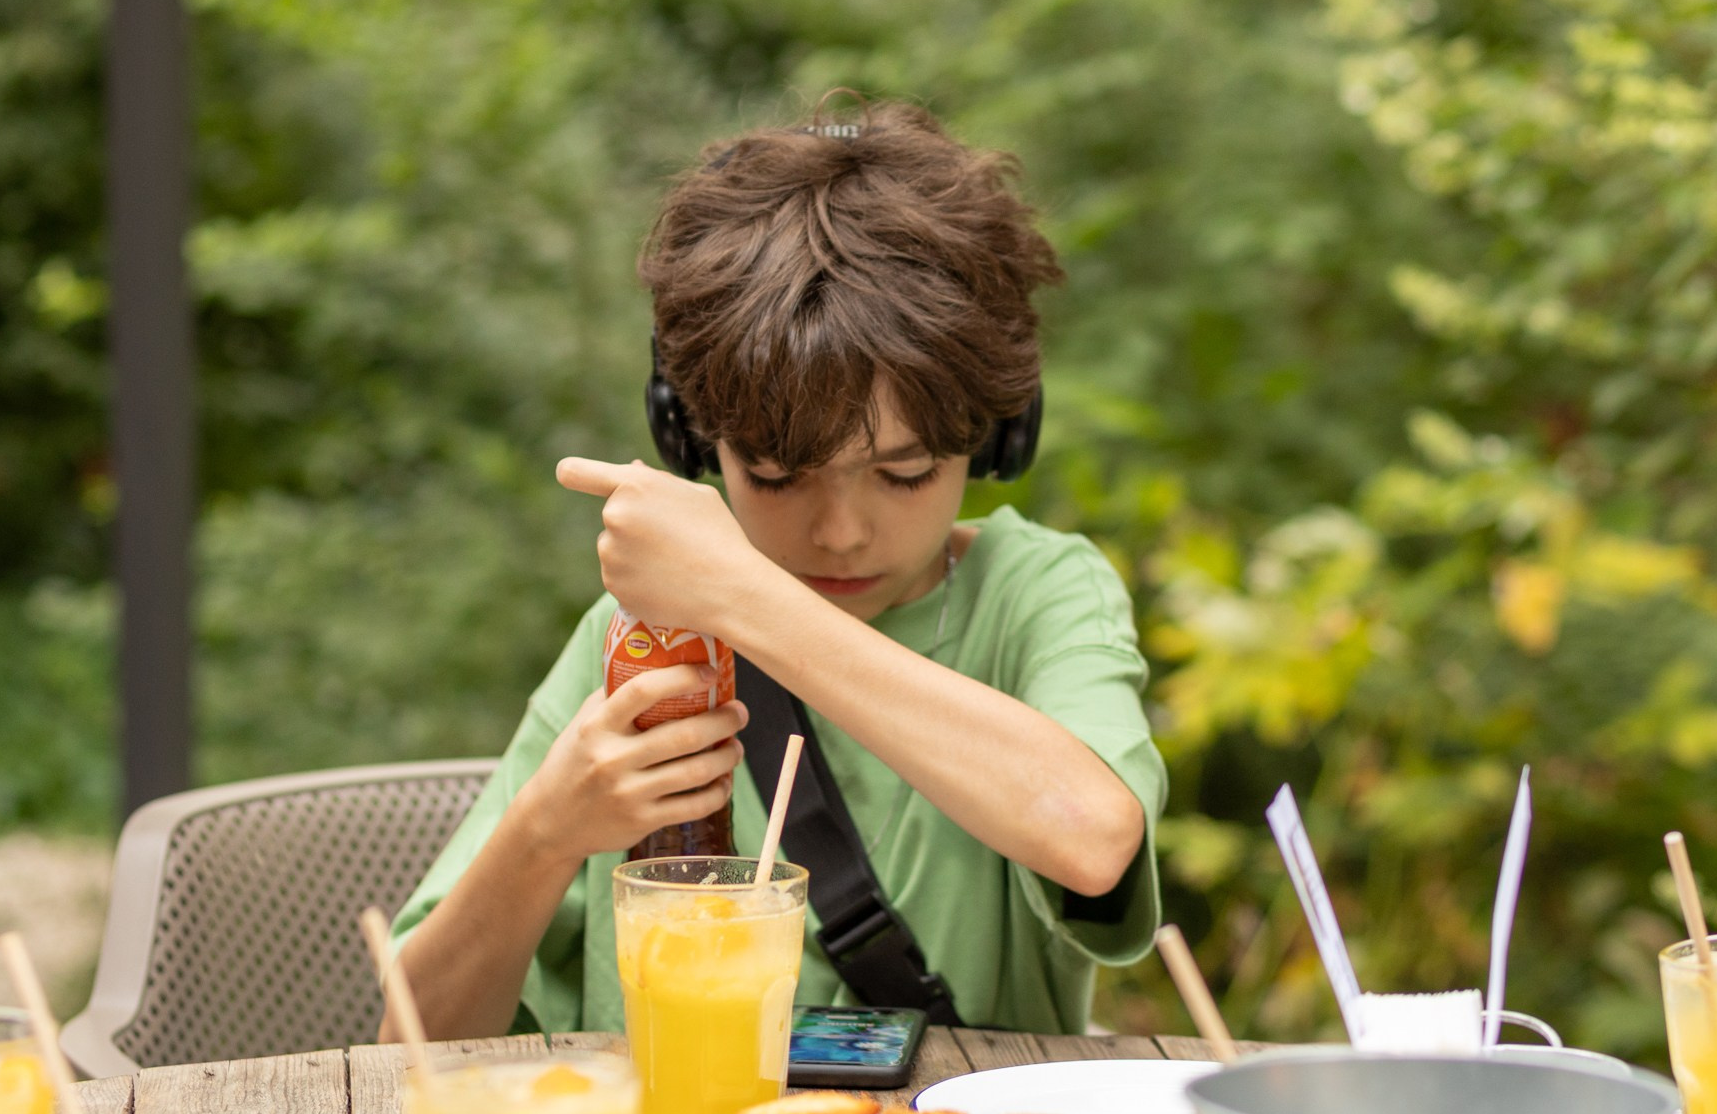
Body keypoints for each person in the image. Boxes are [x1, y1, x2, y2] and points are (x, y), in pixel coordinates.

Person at [385, 100, 1163, 1038]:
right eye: (778, 473)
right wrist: (546, 829)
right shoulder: (641, 637)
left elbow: (1093, 836)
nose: (841, 532)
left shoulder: (1037, 594)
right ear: (692, 435)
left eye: (905, 473)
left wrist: (740, 594)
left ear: (996, 439)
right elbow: (410, 1041)